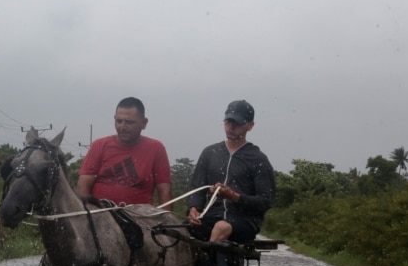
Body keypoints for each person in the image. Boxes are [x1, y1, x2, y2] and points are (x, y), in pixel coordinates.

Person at [187, 99, 275, 243]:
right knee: (176, 231)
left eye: (238, 123)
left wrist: (233, 196)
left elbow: (265, 201)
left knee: (221, 227)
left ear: (250, 125)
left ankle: (209, 262)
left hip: (245, 221)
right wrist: (194, 209)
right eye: (228, 122)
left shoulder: (258, 159)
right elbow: (197, 187)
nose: (231, 127)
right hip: (211, 216)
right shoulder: (210, 153)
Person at [77, 97, 173, 211]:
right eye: (119, 121)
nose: (122, 127)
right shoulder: (99, 145)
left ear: (144, 123)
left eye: (129, 122)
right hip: (101, 217)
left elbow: (164, 191)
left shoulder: (156, 148)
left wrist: (165, 226)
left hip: (139, 219)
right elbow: (83, 186)